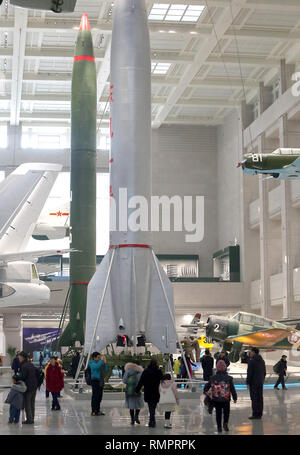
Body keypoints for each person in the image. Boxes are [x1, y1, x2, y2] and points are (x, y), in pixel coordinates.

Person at [204, 360, 237, 433]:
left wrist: (208, 394)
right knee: (226, 412)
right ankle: (225, 423)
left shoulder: (212, 378)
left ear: (217, 368)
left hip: (216, 399)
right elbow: (232, 389)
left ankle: (219, 427)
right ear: (225, 368)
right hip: (226, 399)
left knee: (218, 413)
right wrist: (235, 397)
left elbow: (206, 388)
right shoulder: (229, 378)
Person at [135, 358, 163, 428]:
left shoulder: (146, 371)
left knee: (150, 406)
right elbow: (163, 380)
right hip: (156, 391)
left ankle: (152, 420)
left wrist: (137, 390)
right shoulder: (158, 371)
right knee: (153, 406)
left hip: (148, 391)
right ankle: (152, 420)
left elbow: (141, 382)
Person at [18, 351, 37, 424]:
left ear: (22, 357)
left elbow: (23, 376)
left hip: (28, 387)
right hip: (34, 386)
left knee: (27, 403)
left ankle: (29, 419)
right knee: (32, 403)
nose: (18, 358)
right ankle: (32, 418)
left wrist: (17, 378)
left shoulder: (24, 365)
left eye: (19, 356)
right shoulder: (30, 364)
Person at [247, 347, 266, 420]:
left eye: (250, 352)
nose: (250, 353)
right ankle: (259, 414)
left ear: (253, 352)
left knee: (254, 398)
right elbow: (264, 372)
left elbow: (250, 373)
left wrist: (248, 382)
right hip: (260, 382)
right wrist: (262, 380)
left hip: (253, 383)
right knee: (260, 398)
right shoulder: (262, 361)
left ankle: (255, 414)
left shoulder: (252, 361)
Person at [88, 352, 108, 416]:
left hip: (100, 381)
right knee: (95, 396)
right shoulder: (91, 363)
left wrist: (105, 363)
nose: (99, 358)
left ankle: (98, 410)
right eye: (98, 357)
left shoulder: (100, 363)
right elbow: (96, 367)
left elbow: (106, 369)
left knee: (99, 396)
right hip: (95, 381)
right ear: (94, 357)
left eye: (100, 357)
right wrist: (101, 361)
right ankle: (93, 411)